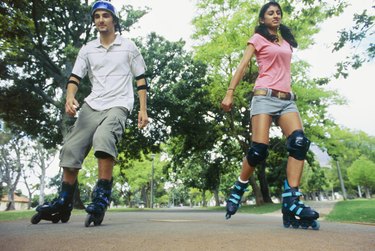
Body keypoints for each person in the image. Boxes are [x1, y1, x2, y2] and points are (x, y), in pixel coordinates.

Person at [31, 0, 148, 227]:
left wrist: (142, 110)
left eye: (105, 15)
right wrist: (69, 96)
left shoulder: (129, 46)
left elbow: (141, 80)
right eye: (97, 16)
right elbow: (74, 78)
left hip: (119, 104)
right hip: (93, 104)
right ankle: (64, 202)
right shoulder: (87, 49)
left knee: (103, 138)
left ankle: (101, 197)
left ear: (114, 20)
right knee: (71, 147)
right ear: (94, 21)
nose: (101, 20)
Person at [221, 1, 319, 230]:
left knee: (299, 142)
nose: (275, 15)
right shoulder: (257, 39)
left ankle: (292, 200)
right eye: (270, 13)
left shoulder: (286, 42)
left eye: (278, 12)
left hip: (287, 100)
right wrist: (229, 93)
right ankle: (239, 186)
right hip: (264, 96)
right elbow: (243, 64)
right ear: (262, 19)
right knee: (258, 150)